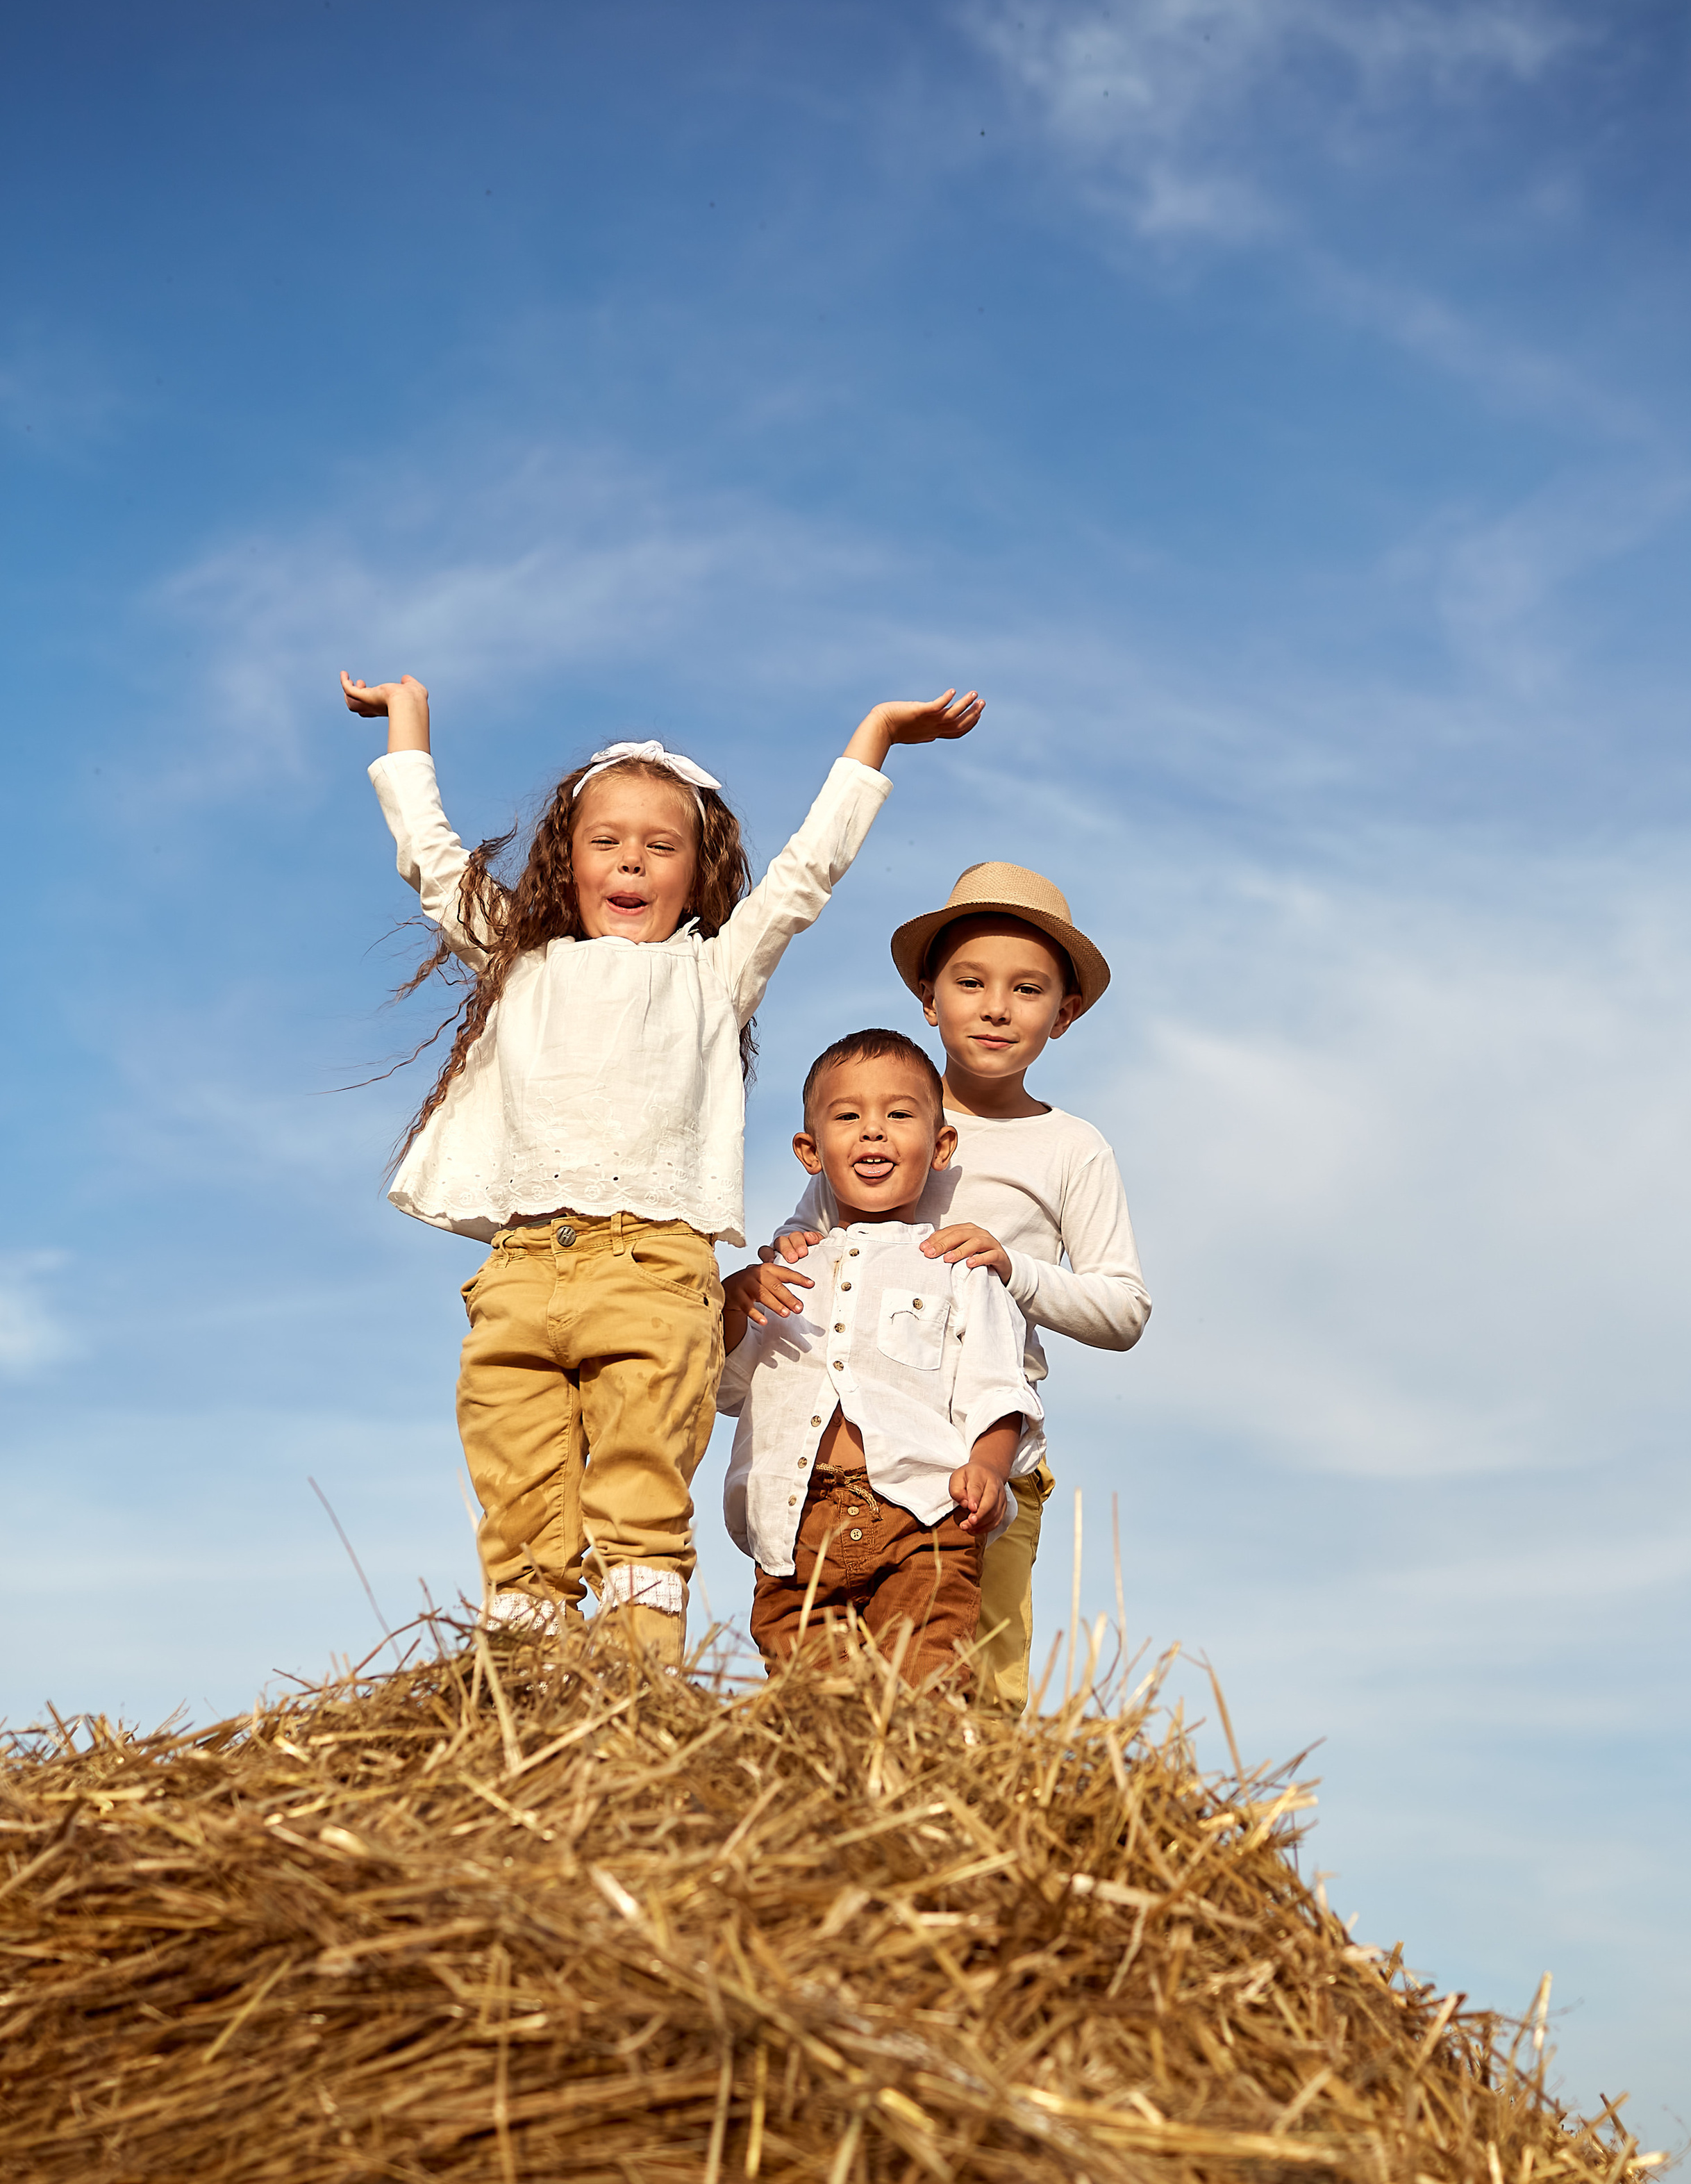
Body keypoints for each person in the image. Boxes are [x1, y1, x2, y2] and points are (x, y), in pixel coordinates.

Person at [340, 668, 983, 1666]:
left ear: (697, 870)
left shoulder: (712, 972)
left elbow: (807, 875)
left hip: (652, 1273)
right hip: (519, 1274)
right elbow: (430, 862)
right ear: (569, 859)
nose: (631, 861)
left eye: (660, 844)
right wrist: (407, 727)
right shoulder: (519, 959)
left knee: (639, 1500)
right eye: (607, 841)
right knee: (518, 1511)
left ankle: (640, 1697)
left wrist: (875, 741)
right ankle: (527, 1703)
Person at [731, 861, 1147, 1710]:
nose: (996, 1007)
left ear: (1063, 1014)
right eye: (970, 982)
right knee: (838, 1683)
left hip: (980, 1450)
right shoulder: (882, 1113)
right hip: (858, 1458)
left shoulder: (1069, 1147)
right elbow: (813, 1250)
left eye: (1027, 989)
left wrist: (1011, 1267)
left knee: (971, 1672)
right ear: (930, 999)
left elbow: (1123, 1308)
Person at [719, 1029, 1042, 1687]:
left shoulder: (955, 1268)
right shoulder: (784, 1270)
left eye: (898, 1115)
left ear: (942, 1145)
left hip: (922, 1517)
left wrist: (987, 1464)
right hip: (793, 1528)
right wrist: (731, 1304)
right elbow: (726, 1391)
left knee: (924, 1691)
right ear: (810, 1151)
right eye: (848, 1118)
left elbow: (997, 1386)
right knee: (818, 1710)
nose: (873, 1133)